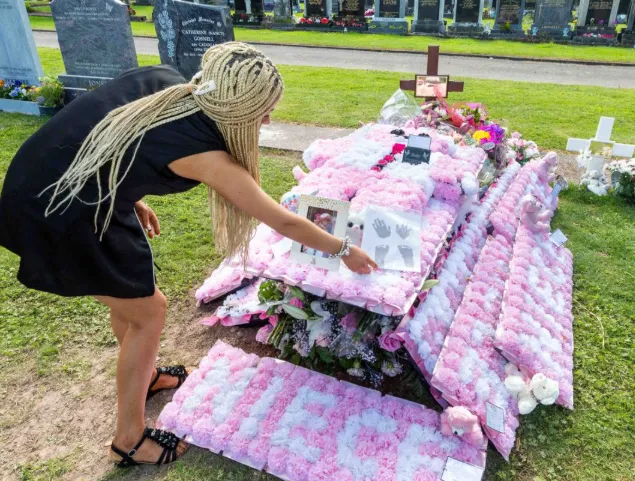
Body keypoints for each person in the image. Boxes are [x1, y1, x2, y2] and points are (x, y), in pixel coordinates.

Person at [0, 42, 377, 467]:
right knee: (149, 312)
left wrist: (130, 194)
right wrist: (344, 249)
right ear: (237, 107)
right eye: (263, 111)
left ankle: (145, 376)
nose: (268, 120)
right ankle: (128, 440)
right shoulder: (204, 155)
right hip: (55, 209)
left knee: (132, 297)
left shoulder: (168, 83)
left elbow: (114, 138)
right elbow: (283, 221)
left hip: (77, 190)